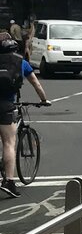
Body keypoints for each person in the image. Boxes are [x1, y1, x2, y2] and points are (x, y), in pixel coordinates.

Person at [0, 32, 50, 198]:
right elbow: (36, 84)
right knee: (9, 143)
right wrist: (44, 100)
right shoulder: (21, 62)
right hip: (6, 105)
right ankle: (9, 181)